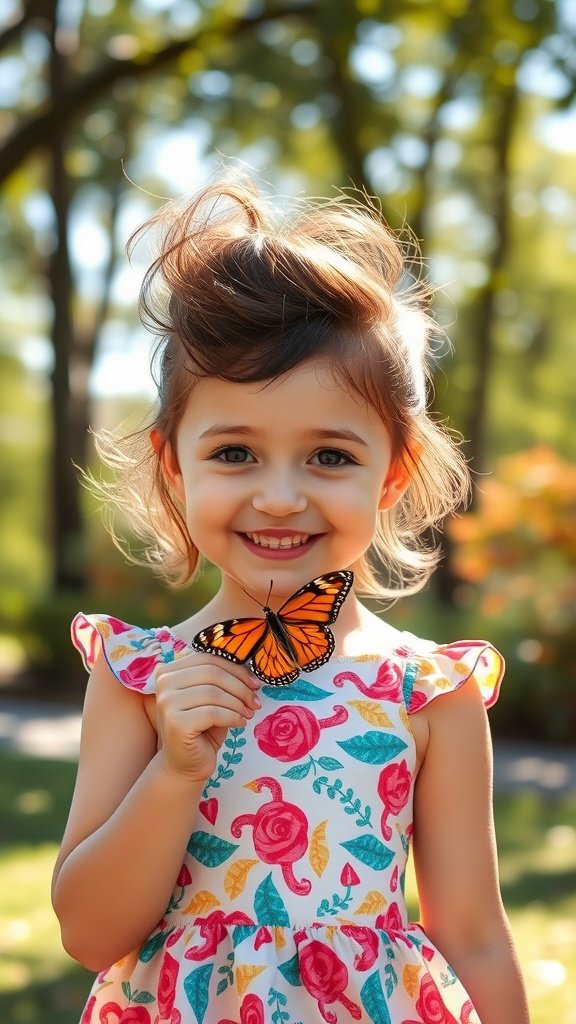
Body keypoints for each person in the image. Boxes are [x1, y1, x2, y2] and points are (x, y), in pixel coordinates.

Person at [52, 175, 529, 1024]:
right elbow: (91, 935)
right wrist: (174, 772)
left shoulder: (429, 692)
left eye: (330, 457)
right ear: (175, 463)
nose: (279, 496)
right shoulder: (137, 677)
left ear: (393, 474)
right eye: (234, 453)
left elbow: (475, 934)